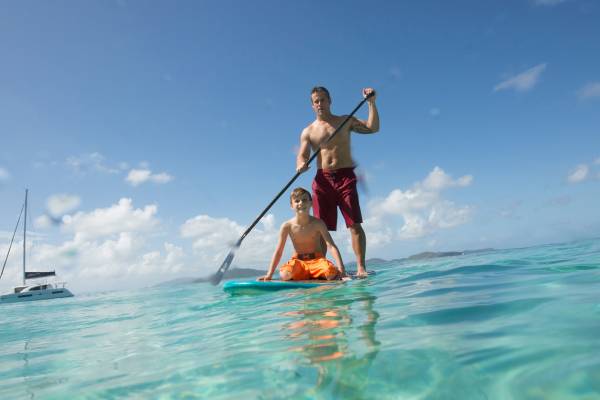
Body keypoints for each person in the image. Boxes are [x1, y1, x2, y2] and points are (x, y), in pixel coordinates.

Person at [296, 86, 379, 278]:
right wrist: (301, 164)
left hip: (345, 177)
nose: (319, 104)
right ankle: (321, 271)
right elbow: (302, 155)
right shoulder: (308, 131)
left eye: (323, 100)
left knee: (354, 224)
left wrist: (371, 103)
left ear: (329, 101)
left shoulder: (344, 121)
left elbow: (372, 128)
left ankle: (361, 268)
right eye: (316, 101)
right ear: (312, 105)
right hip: (322, 180)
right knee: (320, 229)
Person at [258, 187, 347, 281]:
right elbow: (279, 251)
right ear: (291, 205)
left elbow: (331, 246)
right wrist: (269, 274)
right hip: (298, 262)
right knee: (284, 275)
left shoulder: (318, 223)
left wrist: (342, 270)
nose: (301, 203)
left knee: (330, 274)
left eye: (304, 200)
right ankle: (308, 275)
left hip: (317, 261)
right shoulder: (287, 226)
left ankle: (327, 272)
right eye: (297, 201)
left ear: (311, 203)